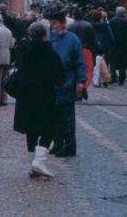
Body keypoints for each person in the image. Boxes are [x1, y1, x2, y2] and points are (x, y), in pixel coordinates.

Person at [13, 22, 64, 178]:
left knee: (31, 129)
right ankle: (39, 161)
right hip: (45, 96)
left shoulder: (23, 51)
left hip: (26, 96)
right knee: (49, 129)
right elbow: (59, 76)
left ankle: (33, 164)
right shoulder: (49, 53)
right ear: (44, 36)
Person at [48, 11, 86, 158]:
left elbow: (79, 62)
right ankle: (57, 142)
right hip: (52, 84)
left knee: (67, 118)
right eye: (51, 24)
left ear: (62, 23)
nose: (52, 26)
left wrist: (81, 82)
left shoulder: (72, 39)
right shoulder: (50, 38)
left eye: (55, 23)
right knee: (54, 116)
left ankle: (69, 146)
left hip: (68, 83)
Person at [109, 7, 127, 85]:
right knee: (123, 62)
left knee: (113, 61)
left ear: (116, 12)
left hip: (114, 44)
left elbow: (109, 33)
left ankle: (114, 77)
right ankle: (121, 78)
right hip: (124, 45)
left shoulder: (112, 21)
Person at [90, 10, 115, 84]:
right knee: (105, 61)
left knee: (96, 61)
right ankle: (104, 79)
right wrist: (111, 43)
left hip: (94, 44)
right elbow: (110, 36)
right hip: (105, 44)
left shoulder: (90, 25)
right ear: (100, 17)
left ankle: (97, 78)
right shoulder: (105, 25)